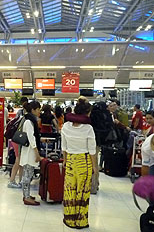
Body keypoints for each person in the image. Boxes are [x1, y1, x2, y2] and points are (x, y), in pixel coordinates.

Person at [61, 98, 97, 229]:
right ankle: (81, 221)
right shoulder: (88, 129)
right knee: (82, 192)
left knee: (69, 190)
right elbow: (92, 150)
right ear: (87, 113)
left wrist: (65, 160)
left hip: (70, 160)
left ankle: (69, 219)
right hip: (84, 161)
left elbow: (63, 147)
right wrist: (95, 168)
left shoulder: (65, 126)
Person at [20, 101, 43, 205]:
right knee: (27, 174)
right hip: (30, 151)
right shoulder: (29, 121)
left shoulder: (30, 120)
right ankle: (26, 197)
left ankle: (27, 195)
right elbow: (31, 137)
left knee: (28, 173)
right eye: (38, 109)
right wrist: (36, 152)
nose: (39, 111)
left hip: (29, 150)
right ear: (33, 110)